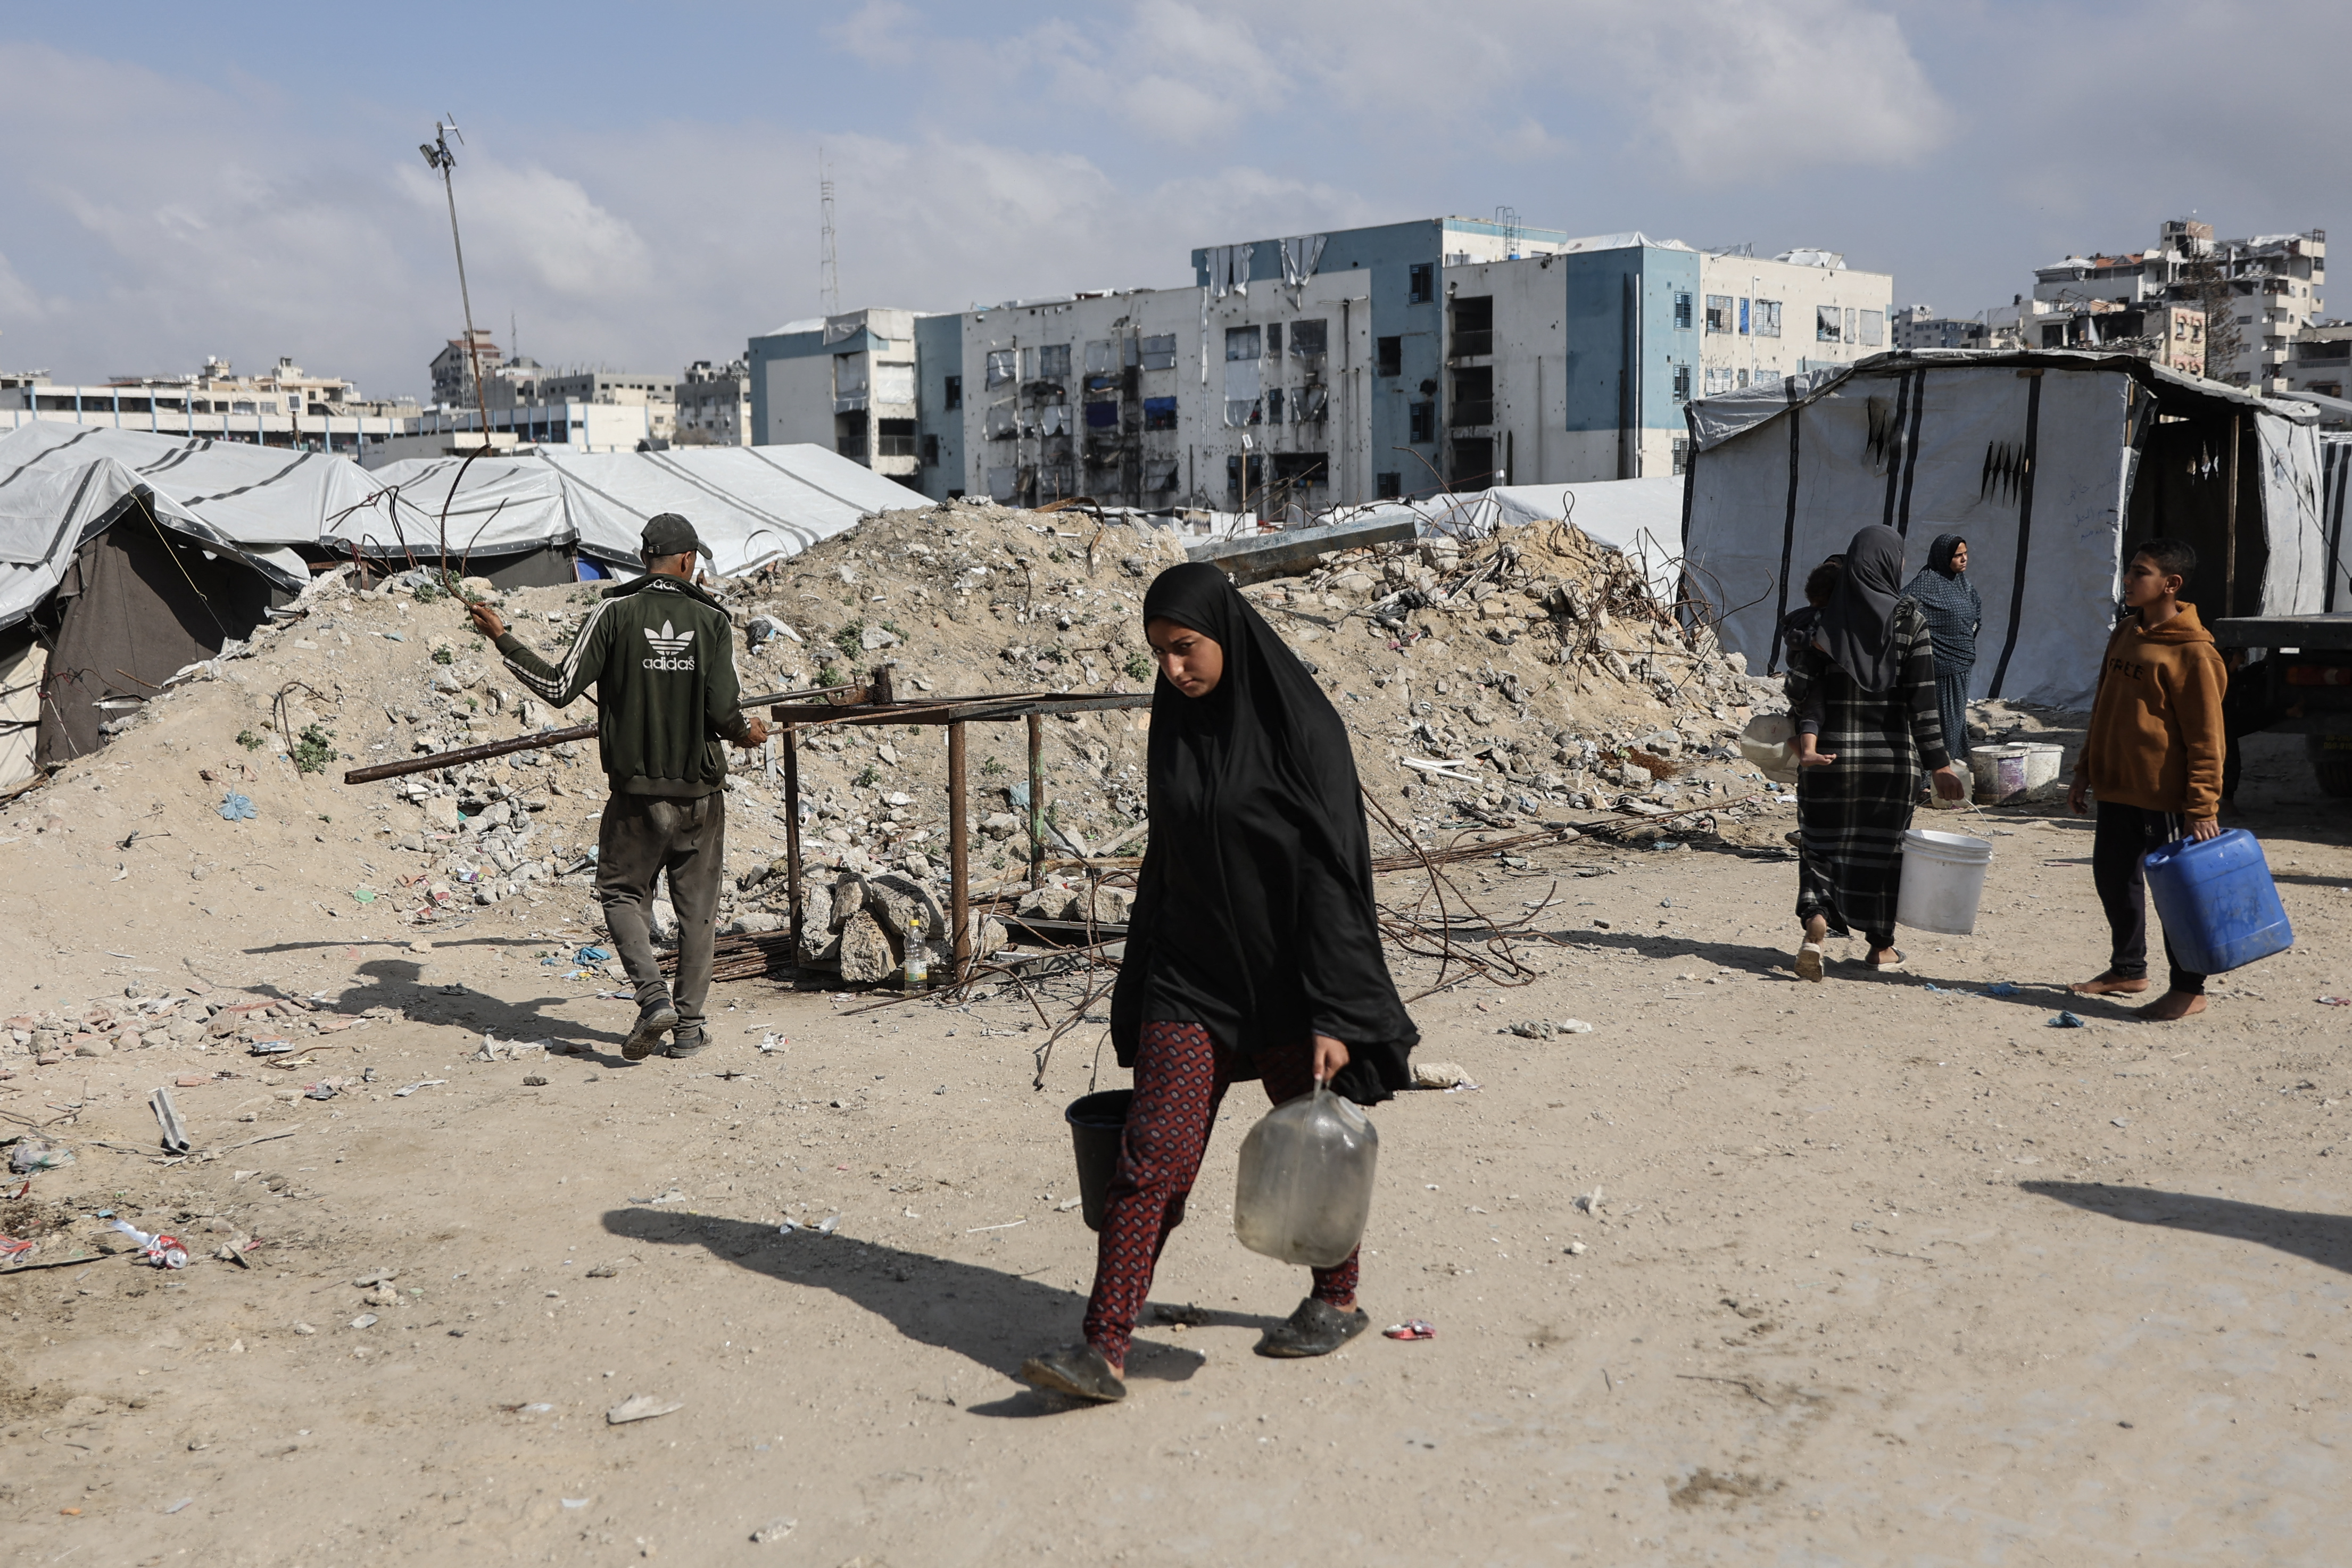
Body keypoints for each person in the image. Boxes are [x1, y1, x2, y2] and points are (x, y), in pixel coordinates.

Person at [1018, 562, 1419, 1405]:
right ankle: (1105, 1346)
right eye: (1159, 653)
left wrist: (1336, 1007)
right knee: (1150, 1154)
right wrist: (1143, 978)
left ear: (1226, 635)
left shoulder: (1304, 733)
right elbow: (1169, 856)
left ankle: (1335, 1296)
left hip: (1286, 984)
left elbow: (1334, 880)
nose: (1173, 670)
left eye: (1186, 648)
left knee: (1310, 1145)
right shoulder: (1178, 723)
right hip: (1191, 977)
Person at [467, 514, 767, 1059]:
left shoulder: (613, 612)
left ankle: (654, 998)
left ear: (644, 556)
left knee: (622, 894)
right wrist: (748, 733)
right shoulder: (712, 618)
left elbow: (558, 687)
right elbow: (725, 712)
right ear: (686, 562)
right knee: (697, 909)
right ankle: (690, 1029)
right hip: (701, 794)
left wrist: (503, 638)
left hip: (636, 795)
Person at [1785, 525, 1967, 981]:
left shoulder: (1821, 621)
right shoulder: (1910, 619)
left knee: (1820, 849)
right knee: (1883, 855)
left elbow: (1800, 692)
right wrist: (1940, 765)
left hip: (1828, 762)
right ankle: (1880, 947)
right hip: (1891, 765)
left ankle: (1816, 929)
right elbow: (1924, 704)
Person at [2067, 538, 2226, 1022]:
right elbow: (2103, 709)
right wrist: (2083, 770)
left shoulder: (2195, 653)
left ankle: (2189, 988)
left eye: (2140, 572)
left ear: (2170, 585)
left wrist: (2202, 806)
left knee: (2176, 894)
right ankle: (2128, 968)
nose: (2130, 580)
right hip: (2117, 788)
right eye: (2130, 570)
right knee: (2114, 879)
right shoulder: (2125, 633)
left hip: (2167, 798)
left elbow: (2207, 738)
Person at [1902, 534, 1982, 786]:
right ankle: (1927, 779)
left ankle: (1944, 775)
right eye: (1958, 555)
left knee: (1954, 721)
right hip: (1937, 668)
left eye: (1966, 553)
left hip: (1960, 664)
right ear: (1943, 557)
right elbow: (1900, 607)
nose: (1964, 559)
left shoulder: (1962, 584)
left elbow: (1975, 610)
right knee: (1936, 722)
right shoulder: (1926, 583)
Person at [1784, 556, 1845, 769]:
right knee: (1814, 711)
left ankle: (1801, 741)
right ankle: (1807, 751)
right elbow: (1791, 637)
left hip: (1813, 674)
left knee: (1812, 709)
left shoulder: (1827, 614)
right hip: (1807, 674)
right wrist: (1812, 641)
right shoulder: (1811, 615)